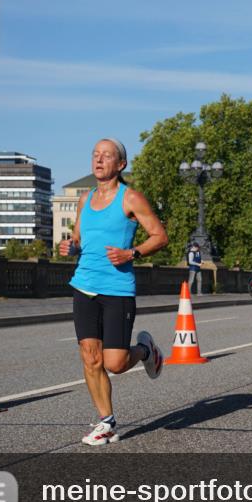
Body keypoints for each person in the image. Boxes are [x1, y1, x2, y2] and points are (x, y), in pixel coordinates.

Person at [59, 138, 169, 446]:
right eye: (95, 154)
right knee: (90, 357)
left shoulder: (130, 198)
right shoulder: (84, 199)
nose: (99, 159)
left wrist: (131, 253)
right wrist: (72, 247)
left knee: (115, 364)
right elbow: (78, 237)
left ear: (120, 164)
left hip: (117, 289)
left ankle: (146, 351)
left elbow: (160, 236)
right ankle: (106, 422)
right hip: (84, 285)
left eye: (106, 156)